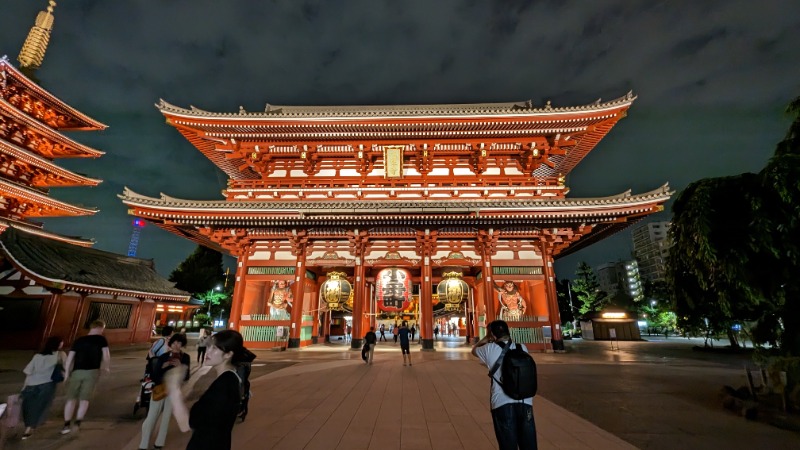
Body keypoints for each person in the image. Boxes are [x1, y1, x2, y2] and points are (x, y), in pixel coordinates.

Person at [165, 330, 248, 450]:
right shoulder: (231, 379)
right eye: (209, 347)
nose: (208, 351)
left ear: (228, 354)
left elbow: (186, 424)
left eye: (214, 349)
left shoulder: (223, 386)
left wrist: (173, 386)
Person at [471, 320, 537, 450]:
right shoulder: (522, 347)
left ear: (493, 335)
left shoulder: (489, 349)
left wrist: (486, 338)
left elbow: (474, 350)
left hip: (502, 403)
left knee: (507, 444)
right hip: (526, 401)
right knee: (529, 444)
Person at [139, 333, 190, 450]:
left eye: (179, 343)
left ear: (182, 344)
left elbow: (186, 377)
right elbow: (154, 376)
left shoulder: (185, 357)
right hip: (160, 389)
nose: (176, 345)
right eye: (174, 342)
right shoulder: (163, 357)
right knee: (151, 417)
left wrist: (180, 365)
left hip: (173, 391)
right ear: (170, 344)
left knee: (166, 418)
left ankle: (159, 443)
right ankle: (143, 444)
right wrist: (163, 366)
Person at [62, 319, 111, 435]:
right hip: (92, 372)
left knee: (71, 399)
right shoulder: (101, 339)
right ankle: (78, 422)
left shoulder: (79, 340)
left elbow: (70, 358)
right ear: (100, 328)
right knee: (84, 399)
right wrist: (106, 367)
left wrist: (67, 373)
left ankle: (66, 424)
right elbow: (106, 355)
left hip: (77, 371)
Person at [20, 336, 65, 440]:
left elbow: (28, 372)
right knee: (41, 407)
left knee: (29, 407)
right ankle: (31, 428)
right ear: (58, 344)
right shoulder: (60, 355)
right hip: (47, 384)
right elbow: (66, 367)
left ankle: (27, 428)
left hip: (31, 384)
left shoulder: (37, 356)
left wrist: (24, 386)